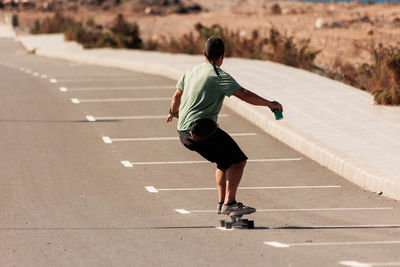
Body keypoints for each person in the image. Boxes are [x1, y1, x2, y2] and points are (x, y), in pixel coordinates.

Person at [166, 36, 283, 216]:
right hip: (200, 130)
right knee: (238, 161)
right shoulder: (219, 76)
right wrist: (270, 104)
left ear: (203, 53)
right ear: (222, 56)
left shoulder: (190, 72)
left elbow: (176, 98)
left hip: (183, 133)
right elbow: (244, 94)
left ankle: (222, 204)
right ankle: (231, 203)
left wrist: (173, 113)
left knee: (224, 162)